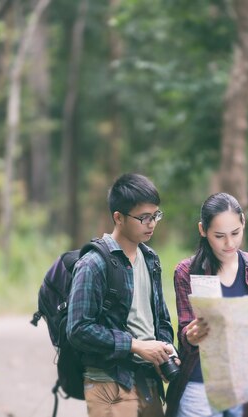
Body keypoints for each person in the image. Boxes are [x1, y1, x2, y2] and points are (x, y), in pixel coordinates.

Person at [66, 173, 176, 417]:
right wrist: (135, 346)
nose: (152, 223)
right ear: (118, 217)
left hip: (148, 380)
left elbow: (161, 319)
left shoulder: (151, 259)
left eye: (155, 215)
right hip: (109, 381)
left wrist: (165, 349)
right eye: (143, 217)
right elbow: (78, 328)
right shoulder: (94, 263)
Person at [165, 192, 248, 417]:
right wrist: (191, 335)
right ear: (202, 230)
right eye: (219, 236)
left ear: (243, 221)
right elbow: (185, 331)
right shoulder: (187, 271)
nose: (229, 243)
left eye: (235, 233)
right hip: (199, 387)